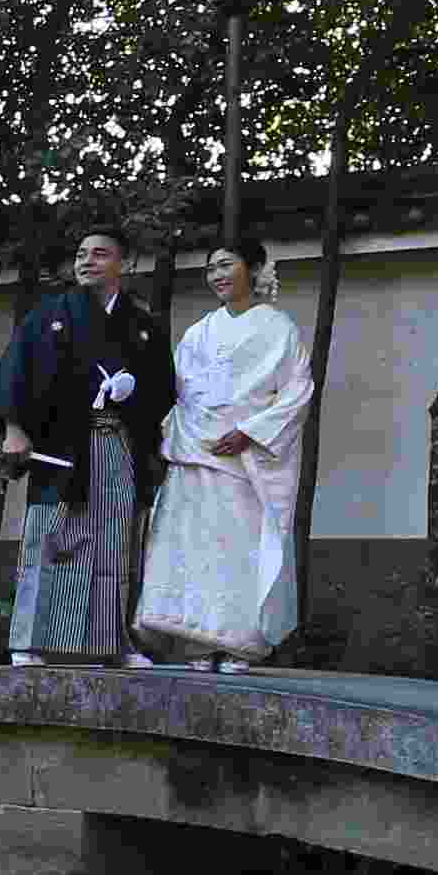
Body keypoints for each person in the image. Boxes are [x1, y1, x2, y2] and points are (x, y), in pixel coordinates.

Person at [0, 223, 171, 666]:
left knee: (115, 542)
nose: (87, 260)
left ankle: (110, 644)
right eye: (82, 254)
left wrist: (132, 394)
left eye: (100, 254)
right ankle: (29, 641)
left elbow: (162, 391)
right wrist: (15, 430)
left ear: (124, 263)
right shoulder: (51, 314)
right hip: (63, 446)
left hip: (119, 444)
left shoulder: (142, 326)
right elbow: (16, 371)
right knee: (52, 538)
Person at [137, 244, 314, 668]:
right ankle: (195, 641)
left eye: (226, 265)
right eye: (210, 268)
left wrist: (250, 433)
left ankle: (239, 644)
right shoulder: (198, 332)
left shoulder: (279, 329)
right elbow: (177, 395)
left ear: (252, 269)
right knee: (192, 547)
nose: (216, 274)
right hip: (197, 450)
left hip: (246, 459)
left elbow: (297, 392)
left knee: (241, 549)